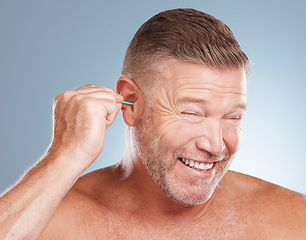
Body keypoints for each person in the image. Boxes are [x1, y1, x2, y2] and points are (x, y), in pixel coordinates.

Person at [1, 8, 305, 240]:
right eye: (191, 113)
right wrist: (65, 156)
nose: (215, 145)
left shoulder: (292, 221)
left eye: (232, 117)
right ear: (130, 101)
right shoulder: (52, 222)